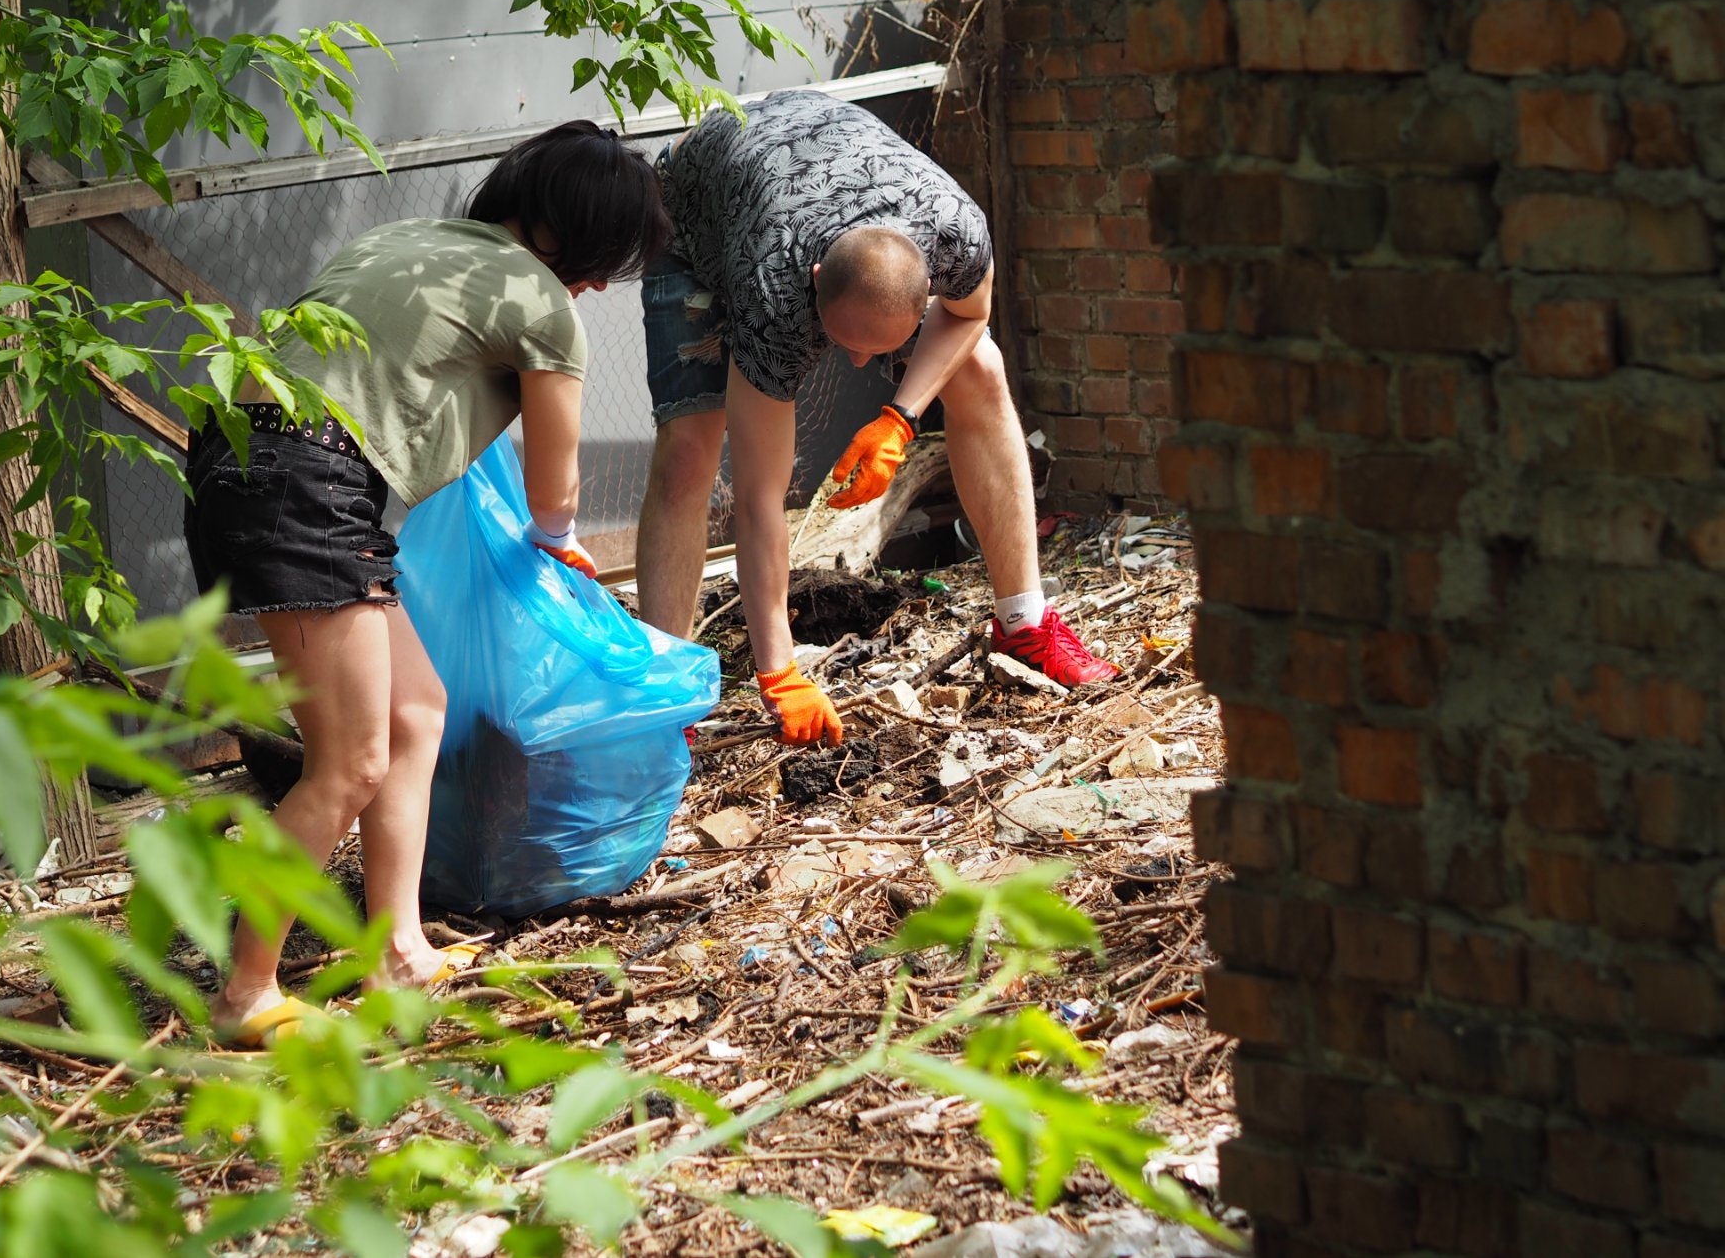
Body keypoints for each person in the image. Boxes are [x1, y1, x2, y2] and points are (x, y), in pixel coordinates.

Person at [183, 121, 670, 1044]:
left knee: (416, 713)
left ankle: (398, 948)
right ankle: (245, 993)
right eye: (606, 260)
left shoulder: (406, 243)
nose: (601, 285)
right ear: (572, 238)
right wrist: (560, 543)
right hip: (307, 479)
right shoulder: (544, 303)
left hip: (247, 459)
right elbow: (554, 488)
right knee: (351, 760)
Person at [636, 89, 1116, 748]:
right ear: (812, 282)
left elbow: (969, 316)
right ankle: (664, 703)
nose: (859, 364)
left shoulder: (955, 231)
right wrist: (780, 669)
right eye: (845, 342)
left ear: (927, 288)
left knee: (980, 369)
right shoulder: (773, 287)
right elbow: (757, 498)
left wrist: (899, 418)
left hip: (821, 175)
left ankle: (1025, 620)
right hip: (697, 217)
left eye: (879, 348)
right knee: (692, 447)